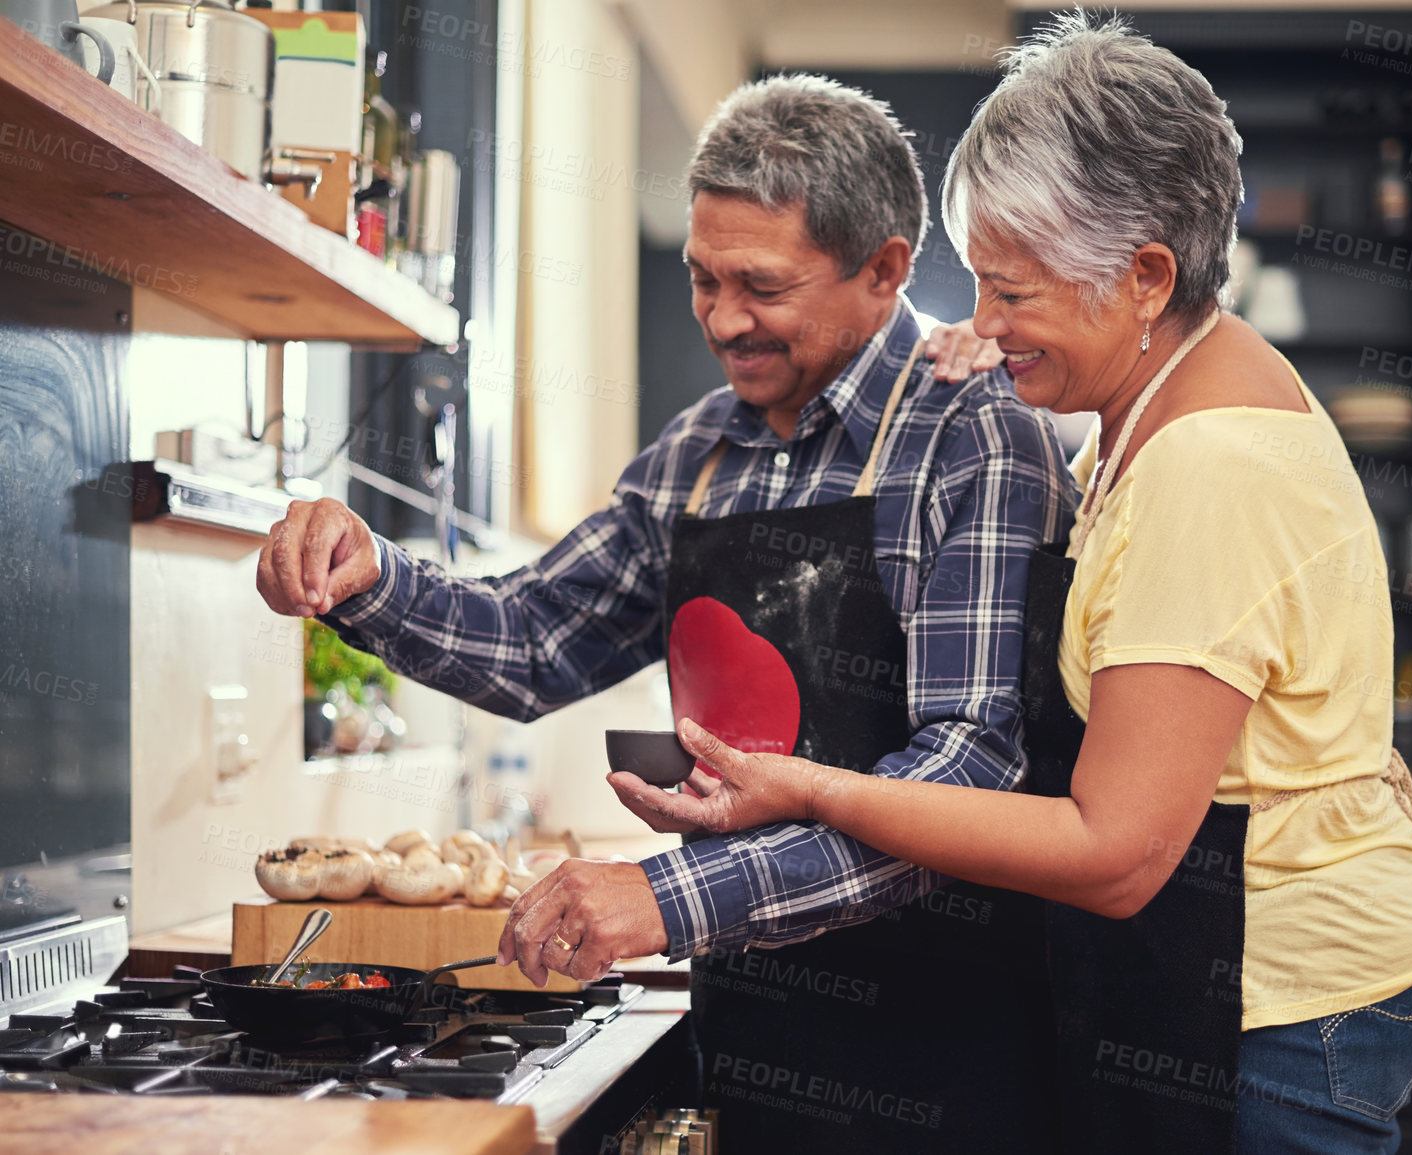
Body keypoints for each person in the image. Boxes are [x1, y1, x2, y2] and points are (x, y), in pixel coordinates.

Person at [610, 15, 1412, 1154]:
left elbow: (1112, 855)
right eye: (977, 287)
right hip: (1237, 967)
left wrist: (812, 789)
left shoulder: (1204, 466)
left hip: (1284, 1004)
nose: (982, 326)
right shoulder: (1164, 387)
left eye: (1012, 293)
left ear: (1144, 276)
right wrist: (1017, 363)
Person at [256, 75, 1075, 1153]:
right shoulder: (699, 452)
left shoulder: (973, 435)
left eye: (761, 287)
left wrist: (672, 897)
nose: (724, 321)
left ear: (883, 268)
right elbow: (538, 637)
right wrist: (370, 577)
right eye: (701, 279)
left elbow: (968, 775)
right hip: (748, 1020)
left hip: (946, 1047)